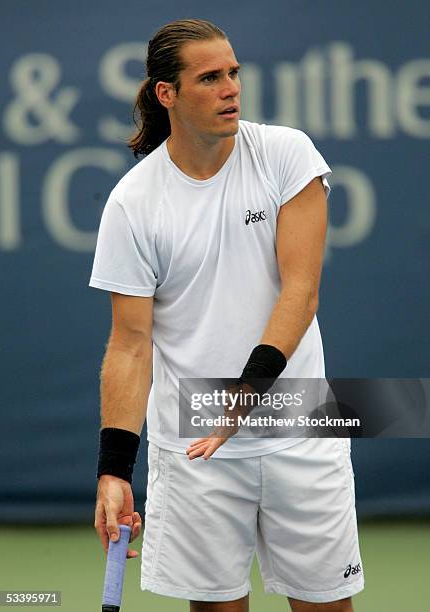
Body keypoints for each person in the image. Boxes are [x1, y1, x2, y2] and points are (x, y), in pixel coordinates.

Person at [91, 18, 364, 612]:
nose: (230, 88)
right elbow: (130, 347)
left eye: (234, 73)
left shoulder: (285, 154)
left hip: (300, 422)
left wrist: (248, 389)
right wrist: (114, 470)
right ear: (167, 95)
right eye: (210, 77)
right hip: (193, 445)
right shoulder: (133, 204)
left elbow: (301, 290)